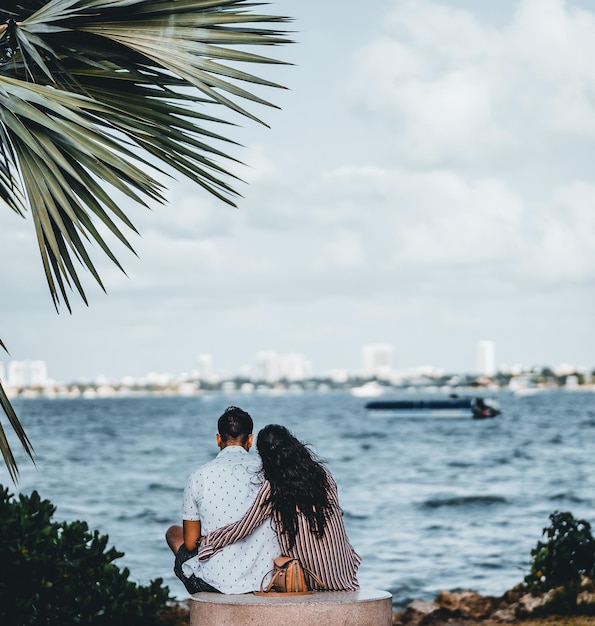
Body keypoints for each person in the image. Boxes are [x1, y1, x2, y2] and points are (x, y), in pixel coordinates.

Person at [197, 424, 361, 591]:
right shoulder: (323, 474)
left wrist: (210, 541)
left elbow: (244, 527)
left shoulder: (272, 487)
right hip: (343, 574)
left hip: (310, 578)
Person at [165, 406, 280, 594]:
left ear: (218, 439)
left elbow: (190, 542)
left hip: (216, 583)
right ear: (250, 440)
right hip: (267, 579)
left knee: (173, 532)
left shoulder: (199, 476)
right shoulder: (270, 473)